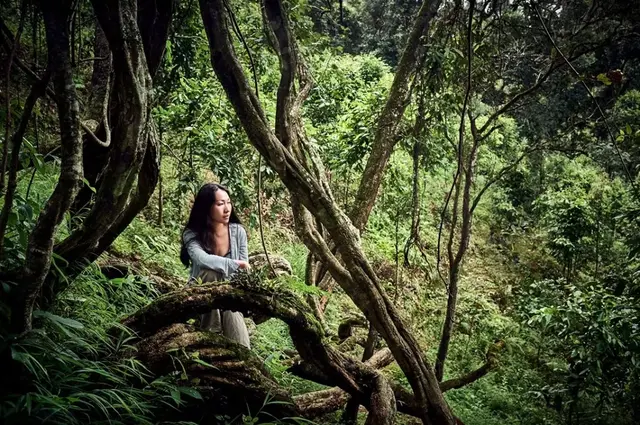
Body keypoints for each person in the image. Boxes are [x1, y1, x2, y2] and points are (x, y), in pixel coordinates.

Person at [180, 183, 251, 348]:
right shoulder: (192, 233)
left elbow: (243, 275)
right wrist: (235, 264)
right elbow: (202, 259)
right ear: (206, 207)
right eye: (220, 204)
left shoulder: (238, 232)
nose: (227, 209)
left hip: (229, 292)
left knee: (232, 310)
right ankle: (212, 335)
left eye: (228, 203)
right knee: (210, 272)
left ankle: (242, 354)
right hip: (199, 291)